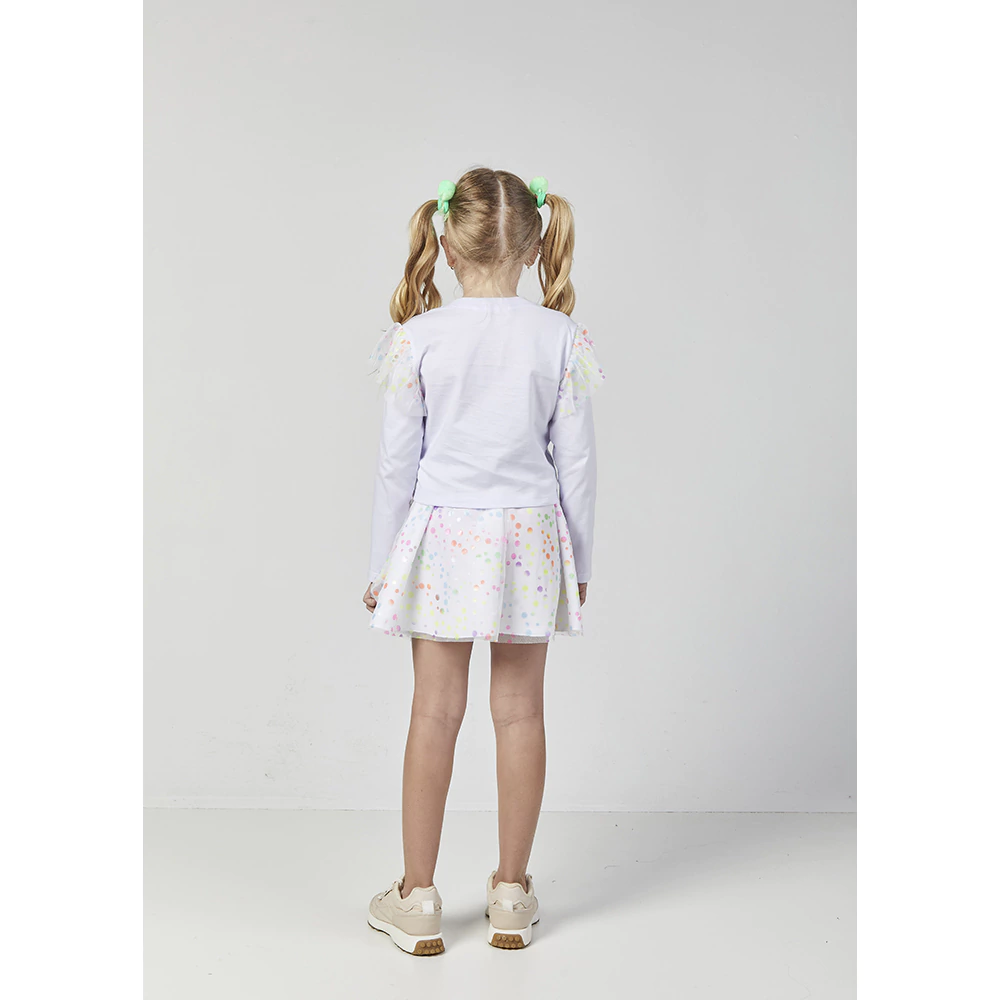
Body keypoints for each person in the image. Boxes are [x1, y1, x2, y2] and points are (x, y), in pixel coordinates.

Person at [363, 167, 605, 955]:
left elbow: (397, 465)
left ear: (445, 246)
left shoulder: (418, 337)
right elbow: (577, 466)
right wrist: (579, 564)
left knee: (433, 713)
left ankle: (417, 898)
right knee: (521, 714)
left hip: (443, 538)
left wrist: (383, 567)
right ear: (535, 247)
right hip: (530, 537)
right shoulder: (559, 337)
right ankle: (510, 893)